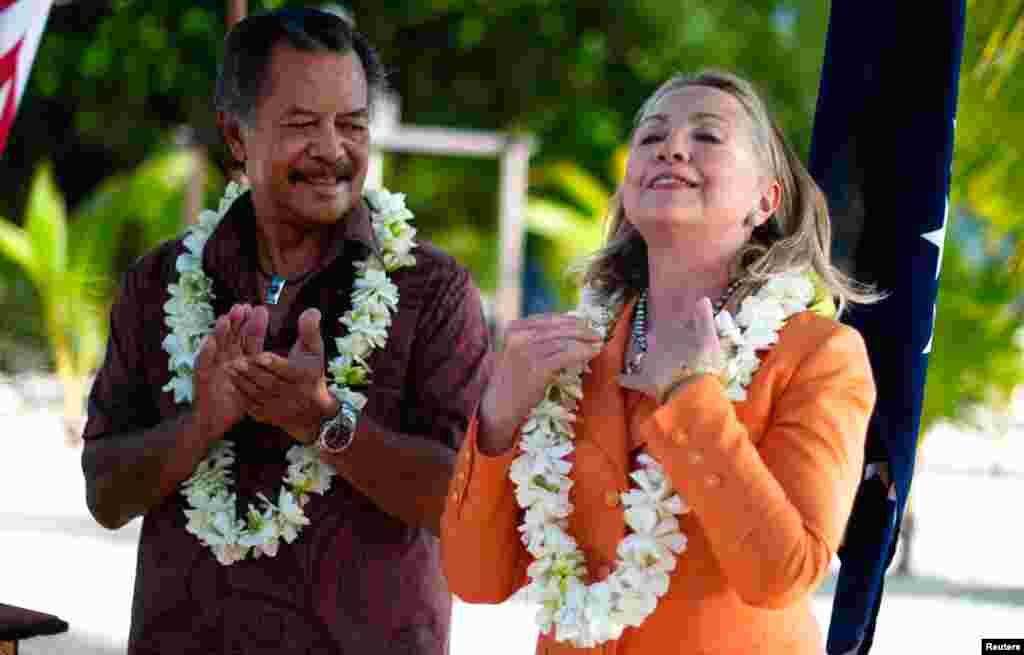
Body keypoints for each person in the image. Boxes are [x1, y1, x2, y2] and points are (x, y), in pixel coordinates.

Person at [81, 9, 491, 654]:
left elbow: (461, 502)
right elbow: (105, 496)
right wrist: (199, 425)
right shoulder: (159, 283)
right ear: (236, 136)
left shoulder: (432, 292)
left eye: (352, 124)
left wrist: (323, 421)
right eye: (302, 124)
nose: (332, 149)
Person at [441, 69, 879, 654]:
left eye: (708, 136)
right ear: (628, 189)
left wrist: (689, 395)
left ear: (765, 199)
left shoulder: (820, 355)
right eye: (651, 136)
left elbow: (781, 574)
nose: (671, 147)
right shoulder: (567, 354)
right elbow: (475, 580)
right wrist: (497, 417)